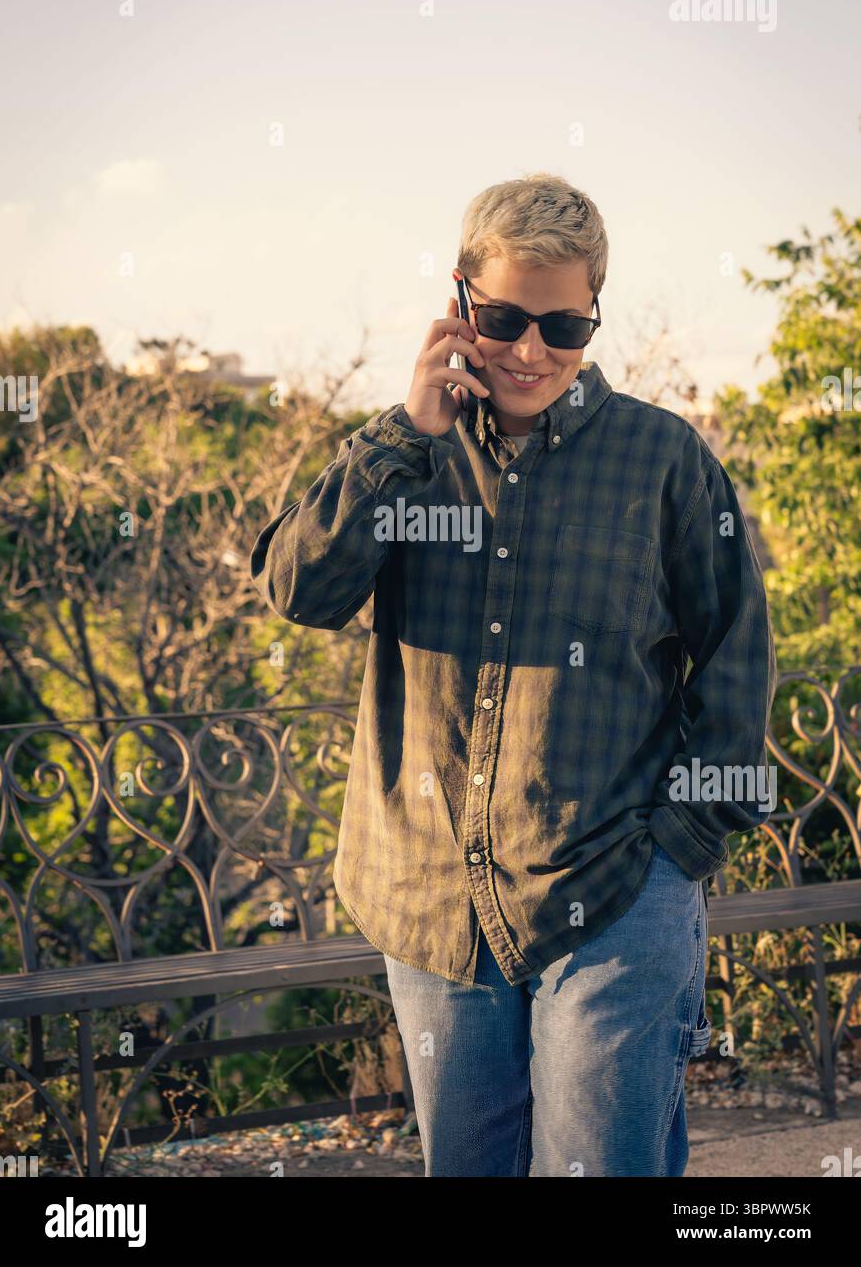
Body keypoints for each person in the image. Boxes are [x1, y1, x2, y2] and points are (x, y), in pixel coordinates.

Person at [250, 172, 776, 1177]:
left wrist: (680, 849)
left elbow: (734, 661)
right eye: (502, 318)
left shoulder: (663, 461)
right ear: (457, 302)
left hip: (612, 893)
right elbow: (296, 589)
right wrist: (401, 437)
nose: (531, 350)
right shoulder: (403, 453)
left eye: (563, 326)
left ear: (592, 315)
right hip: (428, 899)